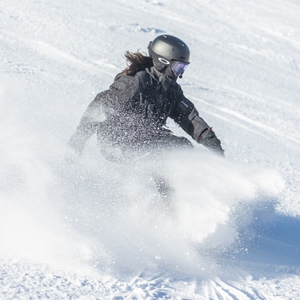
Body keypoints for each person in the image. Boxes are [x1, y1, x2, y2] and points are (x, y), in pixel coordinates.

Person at [68, 34, 224, 162]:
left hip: (145, 138)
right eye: (178, 67)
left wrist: (213, 145)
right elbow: (101, 105)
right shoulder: (135, 82)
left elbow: (190, 118)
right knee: (163, 153)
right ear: (163, 62)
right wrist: (79, 139)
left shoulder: (172, 90)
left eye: (184, 68)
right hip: (117, 142)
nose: (180, 73)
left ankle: (187, 191)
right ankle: (170, 199)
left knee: (182, 148)